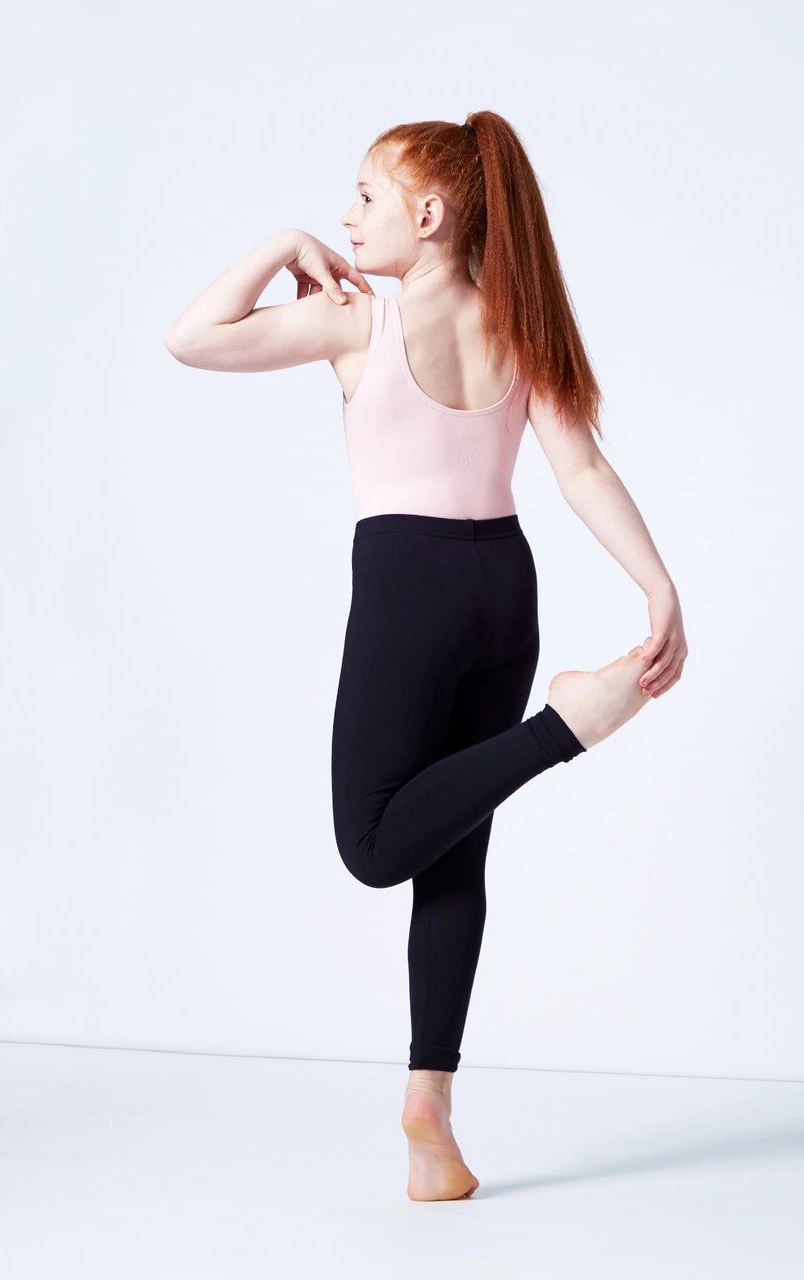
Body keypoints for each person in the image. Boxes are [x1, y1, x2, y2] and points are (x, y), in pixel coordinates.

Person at [164, 110, 688, 1203]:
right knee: (451, 854)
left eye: (366, 195)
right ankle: (430, 1120)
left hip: (409, 589)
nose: (347, 215)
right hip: (504, 590)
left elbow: (192, 338)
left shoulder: (359, 323)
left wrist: (280, 245)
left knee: (372, 843)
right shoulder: (518, 326)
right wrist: (657, 585)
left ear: (432, 214)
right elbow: (582, 472)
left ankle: (565, 727)